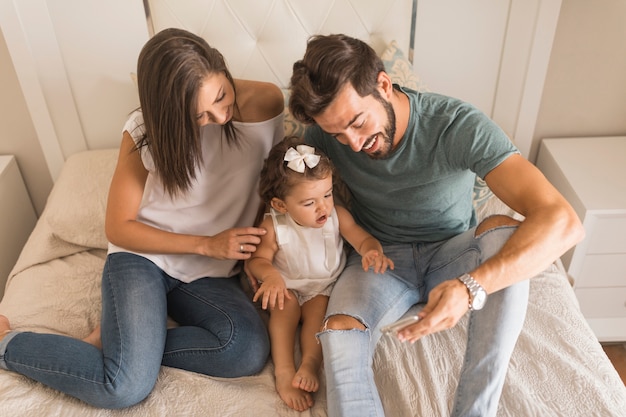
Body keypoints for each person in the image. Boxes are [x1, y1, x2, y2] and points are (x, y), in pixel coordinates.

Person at [285, 34, 585, 417]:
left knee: (505, 231)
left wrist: (470, 287)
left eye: (358, 123)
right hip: (379, 261)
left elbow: (565, 222)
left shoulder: (457, 125)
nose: (354, 143)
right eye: (337, 135)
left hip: (452, 253)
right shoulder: (322, 140)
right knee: (339, 334)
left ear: (383, 84)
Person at [0, 28, 284, 408]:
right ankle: (8, 345)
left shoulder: (267, 101)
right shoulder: (144, 131)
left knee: (244, 350)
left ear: (223, 67)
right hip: (144, 258)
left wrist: (259, 254)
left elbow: (276, 184)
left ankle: (131, 344)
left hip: (208, 272)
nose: (218, 116)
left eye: (220, 96)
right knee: (124, 387)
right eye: (198, 115)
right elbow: (119, 227)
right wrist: (207, 243)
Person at [247, 136, 394, 411]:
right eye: (309, 202)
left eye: (327, 194)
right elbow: (258, 260)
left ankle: (310, 365)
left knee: (318, 319)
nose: (323, 207)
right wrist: (271, 276)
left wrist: (372, 250)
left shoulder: (337, 215)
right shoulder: (273, 225)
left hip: (322, 288)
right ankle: (284, 371)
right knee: (284, 313)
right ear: (281, 205)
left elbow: (361, 239)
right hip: (286, 286)